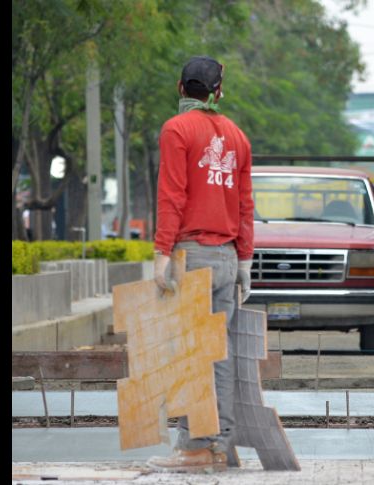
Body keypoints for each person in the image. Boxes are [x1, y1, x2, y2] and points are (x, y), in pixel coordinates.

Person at [148, 55, 254, 473]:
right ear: (218, 91)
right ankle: (220, 445)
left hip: (191, 255)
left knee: (191, 353)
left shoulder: (176, 129)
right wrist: (245, 258)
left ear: (180, 88)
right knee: (219, 354)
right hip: (227, 257)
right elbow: (245, 204)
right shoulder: (237, 136)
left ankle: (195, 447)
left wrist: (161, 254)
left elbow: (172, 194)